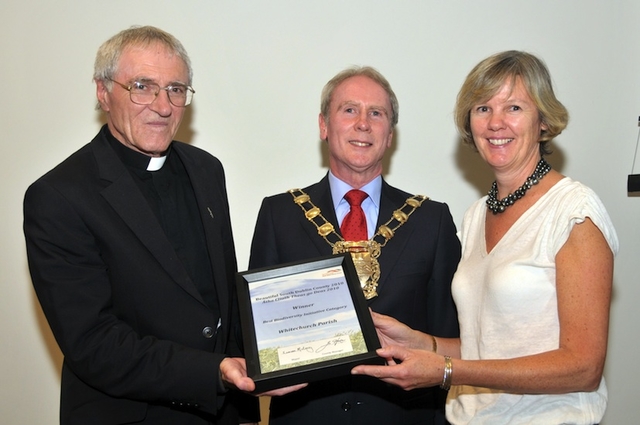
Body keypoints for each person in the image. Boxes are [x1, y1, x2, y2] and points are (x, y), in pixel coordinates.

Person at [352, 51, 619, 425]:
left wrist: (446, 371)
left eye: (513, 108)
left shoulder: (573, 210)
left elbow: (582, 367)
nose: (495, 123)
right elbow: (486, 347)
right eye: (482, 108)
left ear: (542, 120)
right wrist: (419, 342)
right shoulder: (476, 216)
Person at [24, 26, 263, 425]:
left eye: (175, 89)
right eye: (142, 86)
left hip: (219, 412)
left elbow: (219, 299)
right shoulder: (58, 196)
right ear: (103, 92)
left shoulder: (206, 169)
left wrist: (259, 369)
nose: (163, 106)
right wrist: (214, 373)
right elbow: (93, 343)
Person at [248, 66, 461, 424]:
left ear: (390, 134)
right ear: (323, 126)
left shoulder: (431, 220)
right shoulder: (279, 214)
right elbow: (257, 337)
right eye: (349, 110)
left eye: (376, 113)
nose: (363, 123)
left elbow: (449, 339)